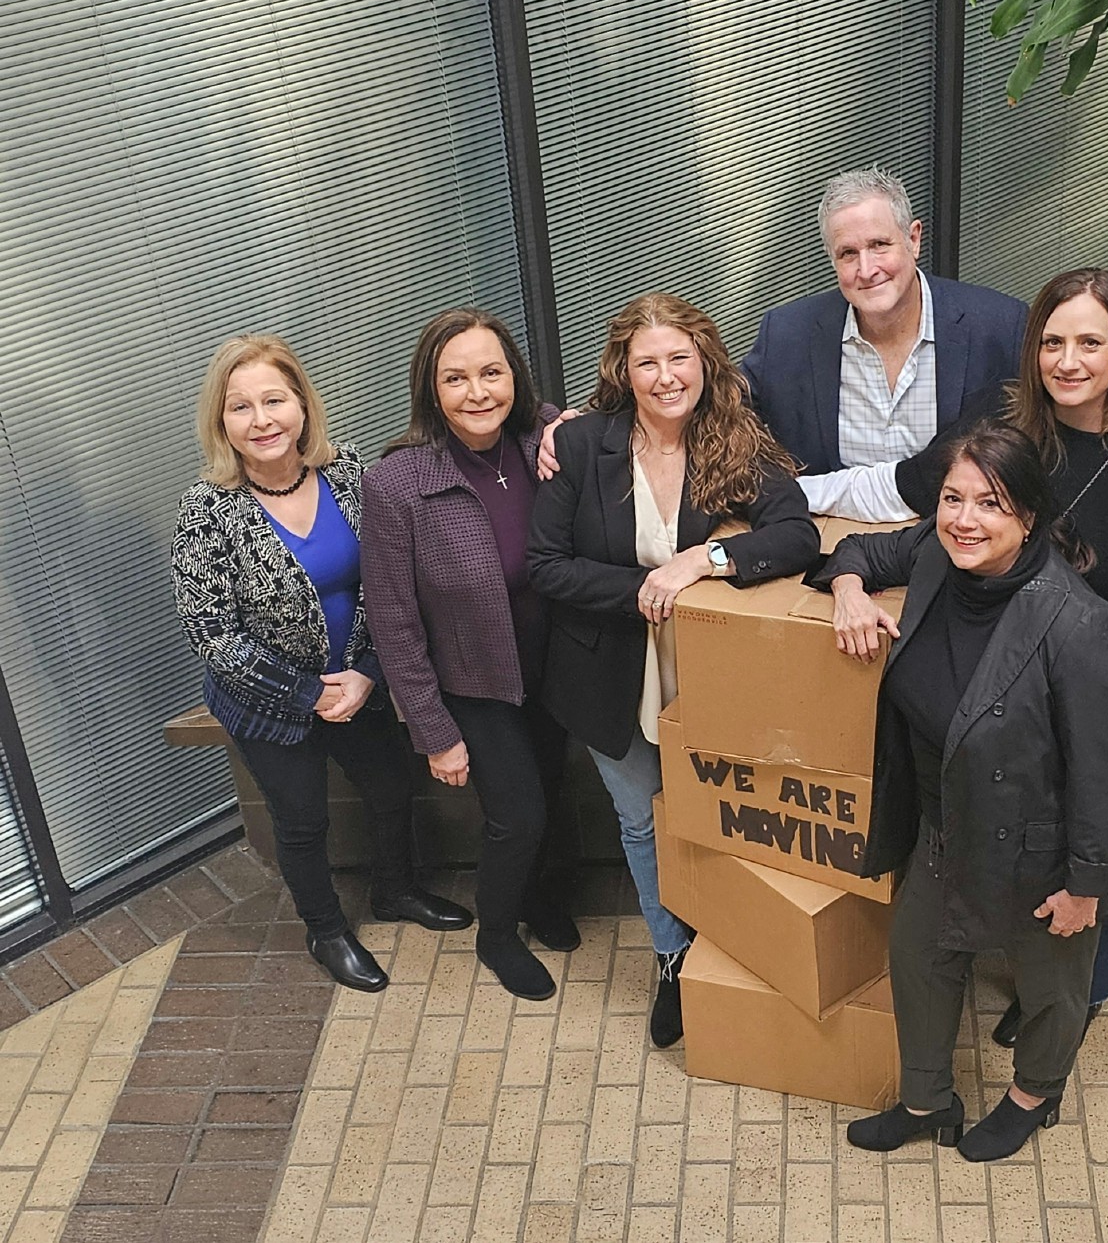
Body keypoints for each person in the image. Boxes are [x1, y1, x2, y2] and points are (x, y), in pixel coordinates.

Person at [894, 268, 1108, 1046]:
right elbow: (916, 492)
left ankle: (1083, 993)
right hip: (1003, 705)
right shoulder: (1009, 432)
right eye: (1052, 341)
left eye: (1090, 341)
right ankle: (1039, 971)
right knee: (1026, 847)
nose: (1068, 360)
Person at [824, 421, 1108, 1161]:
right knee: (919, 957)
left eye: (990, 503)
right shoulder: (936, 555)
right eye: (952, 499)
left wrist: (1087, 886)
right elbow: (857, 550)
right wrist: (848, 592)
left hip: (1038, 844)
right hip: (943, 820)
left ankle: (1034, 1097)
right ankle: (927, 1102)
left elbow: (1105, 773)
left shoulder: (1079, 625)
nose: (965, 520)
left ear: (1028, 516)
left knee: (1053, 980)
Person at [527, 292, 820, 1048]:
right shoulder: (584, 444)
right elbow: (545, 566)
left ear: (705, 363)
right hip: (605, 675)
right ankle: (671, 955)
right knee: (640, 820)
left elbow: (795, 535)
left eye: (678, 358)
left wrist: (705, 559)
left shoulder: (734, 442)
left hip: (712, 675)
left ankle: (731, 945)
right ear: (623, 371)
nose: (665, 377)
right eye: (647, 361)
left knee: (717, 815)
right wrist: (644, 592)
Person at [172, 335, 472, 994]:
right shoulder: (208, 510)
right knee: (303, 820)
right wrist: (309, 694)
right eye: (240, 407)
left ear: (303, 405)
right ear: (221, 422)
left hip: (358, 683)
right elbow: (213, 635)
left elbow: (391, 581)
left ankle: (396, 892)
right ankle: (326, 931)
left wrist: (366, 672)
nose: (261, 420)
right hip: (270, 702)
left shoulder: (347, 473)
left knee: (393, 790)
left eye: (274, 400)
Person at [734, 166, 1108, 520]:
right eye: (848, 253)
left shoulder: (1000, 325)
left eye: (880, 245)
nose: (867, 269)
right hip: (830, 556)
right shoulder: (790, 335)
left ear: (914, 239)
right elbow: (718, 407)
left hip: (965, 560)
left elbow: (1090, 386)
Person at [361, 308, 579, 1003]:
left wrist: (566, 425)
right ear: (430, 389)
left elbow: (588, 422)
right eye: (455, 378)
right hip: (474, 681)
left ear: (515, 374)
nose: (477, 392)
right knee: (518, 814)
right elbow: (393, 621)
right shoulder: (396, 484)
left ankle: (544, 899)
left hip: (551, 666)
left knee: (554, 795)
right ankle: (498, 933)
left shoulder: (542, 439)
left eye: (491, 372)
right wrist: (434, 732)